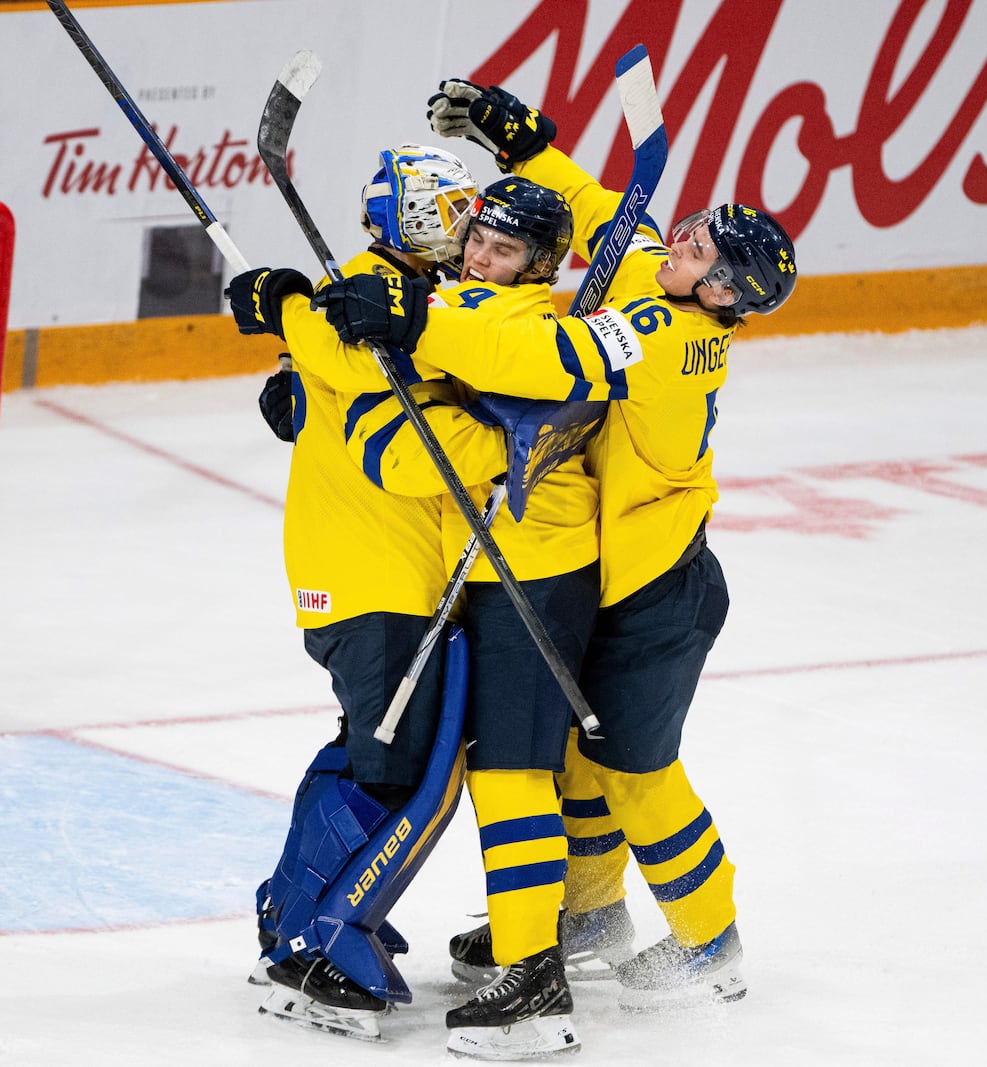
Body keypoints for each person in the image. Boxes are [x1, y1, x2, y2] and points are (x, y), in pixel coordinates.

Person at [323, 78, 799, 1014]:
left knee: (631, 767)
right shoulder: (662, 284)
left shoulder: (670, 334)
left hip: (659, 591)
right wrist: (526, 148)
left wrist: (420, 319)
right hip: (616, 571)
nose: (679, 237)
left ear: (720, 289)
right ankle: (585, 918)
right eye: (691, 226)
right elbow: (604, 214)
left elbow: (549, 363)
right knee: (578, 758)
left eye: (699, 244)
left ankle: (712, 935)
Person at [309, 176, 601, 1060]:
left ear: (539, 266)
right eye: (477, 237)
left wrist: (373, 321)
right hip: (496, 570)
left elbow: (450, 352)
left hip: (534, 572)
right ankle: (530, 949)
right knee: (498, 774)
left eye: (505, 249)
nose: (479, 254)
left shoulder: (516, 328)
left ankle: (535, 977)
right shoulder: (475, 303)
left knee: (513, 777)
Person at [224, 143, 483, 1042]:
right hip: (376, 574)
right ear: (405, 216)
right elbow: (357, 366)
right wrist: (294, 306)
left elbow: (305, 399)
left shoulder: (403, 304)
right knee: (397, 762)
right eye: (447, 212)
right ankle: (319, 940)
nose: (466, 229)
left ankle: (296, 908)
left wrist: (291, 322)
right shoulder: (359, 308)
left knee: (375, 749)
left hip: (376, 569)